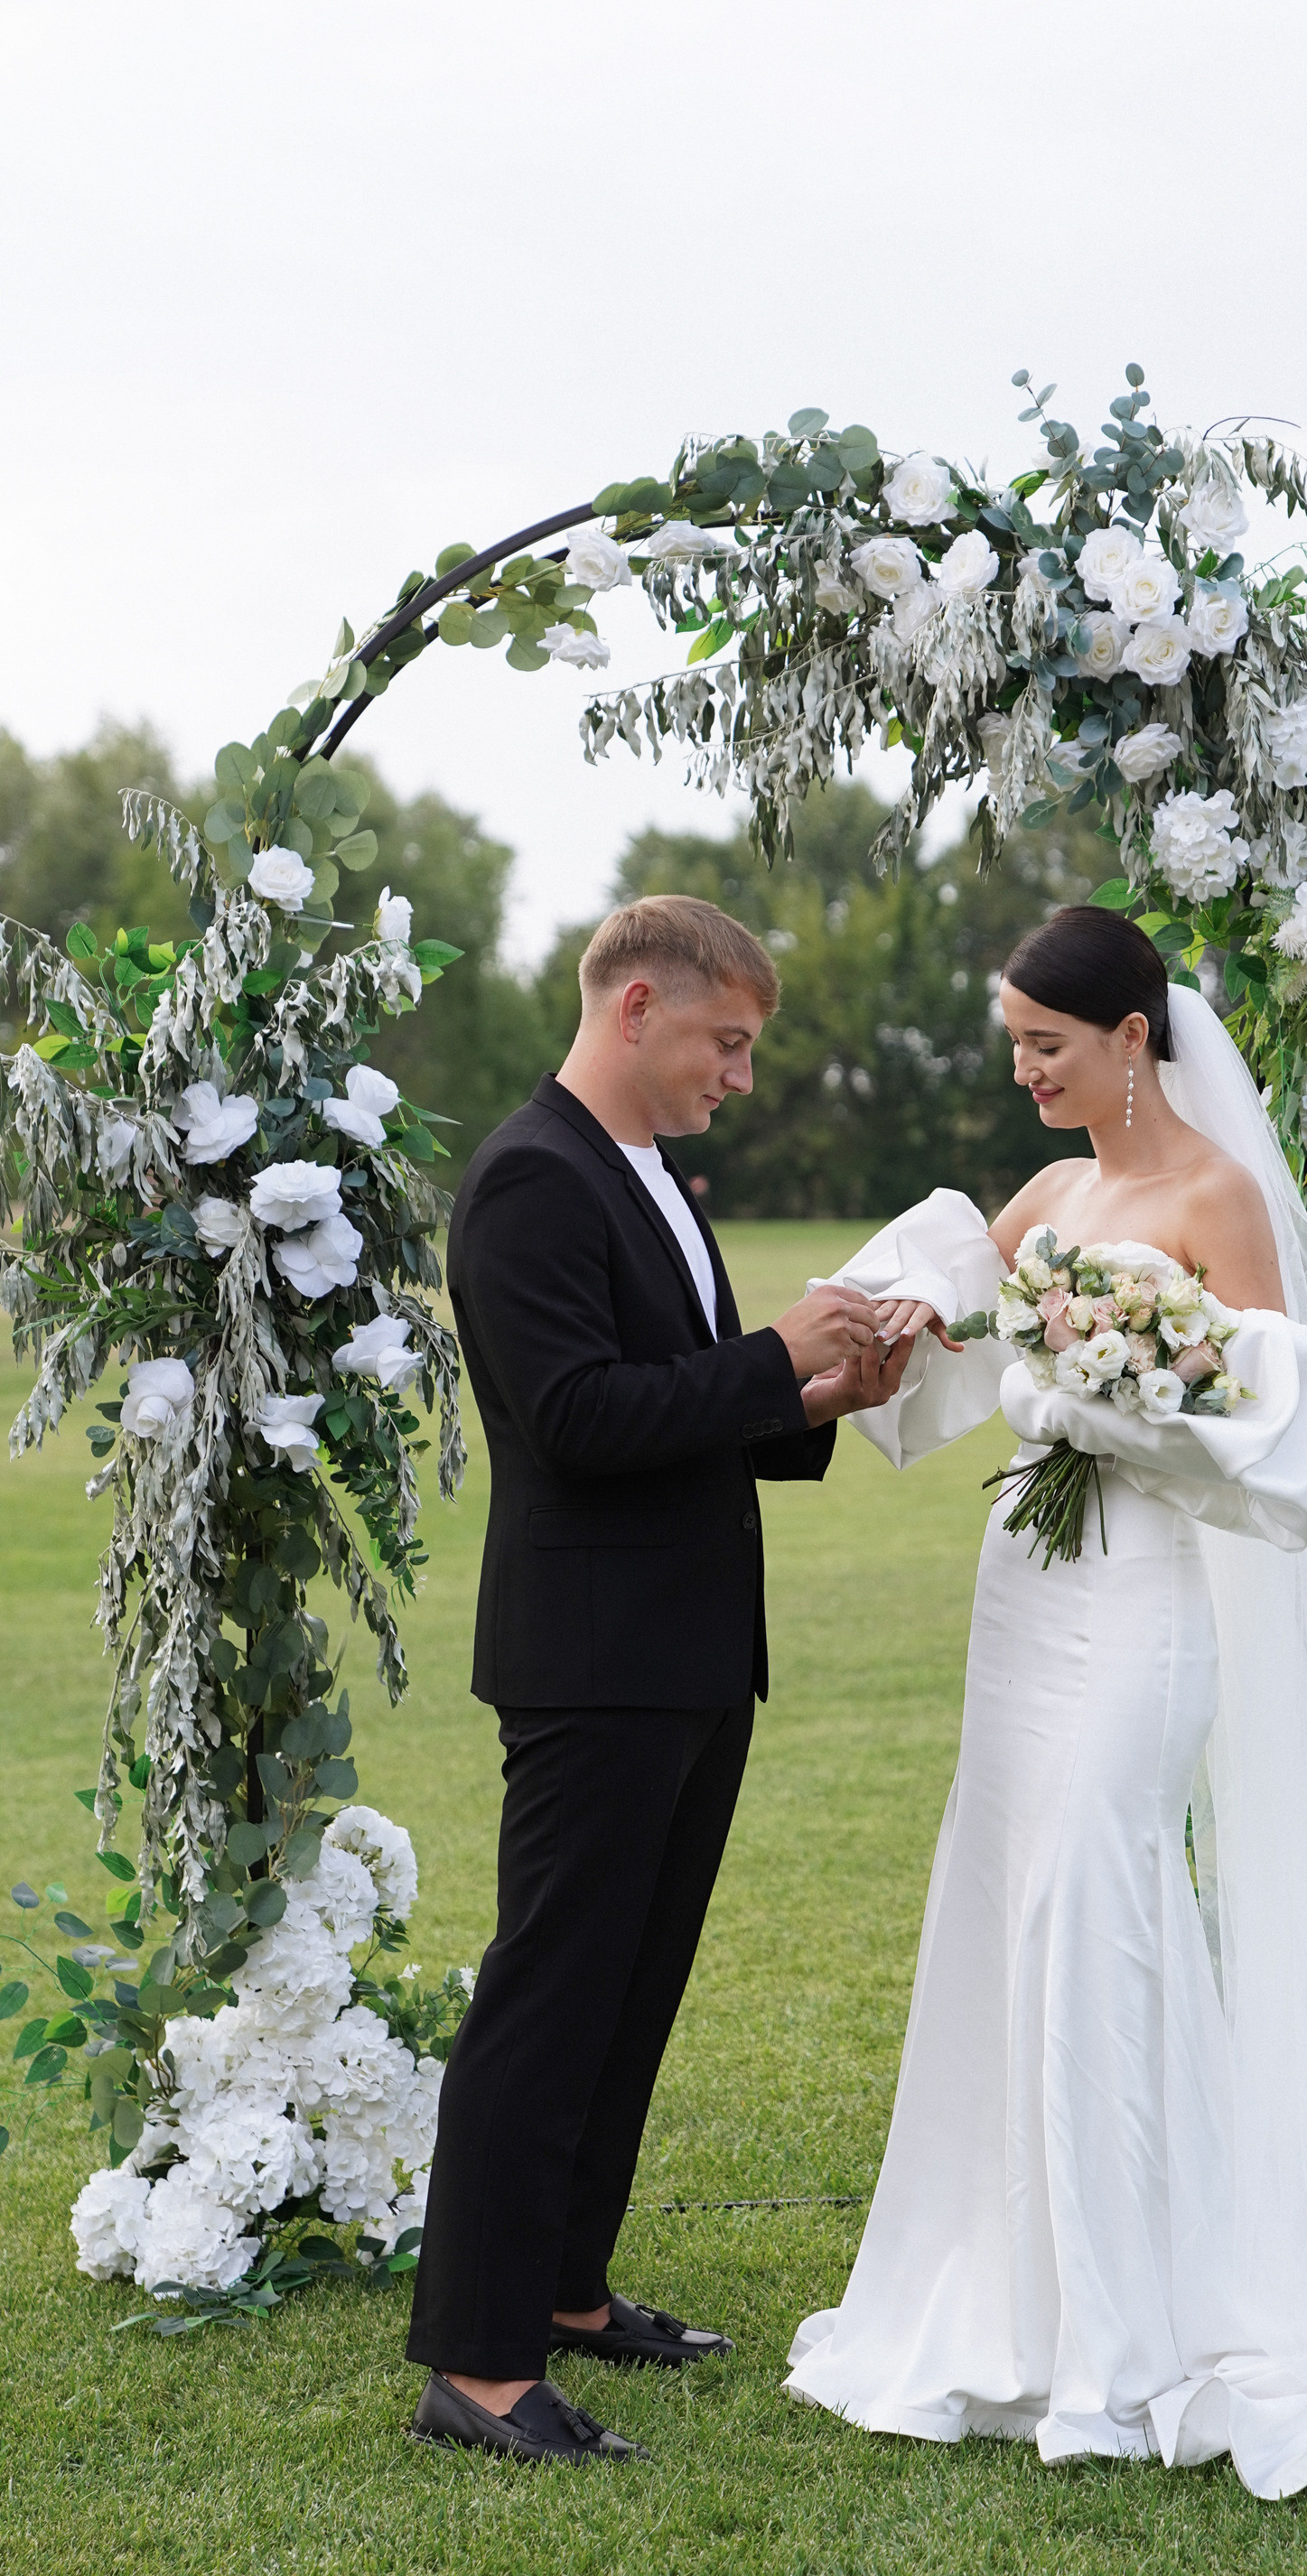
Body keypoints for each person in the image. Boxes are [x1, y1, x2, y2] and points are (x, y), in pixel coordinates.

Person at [784, 907, 1307, 2500]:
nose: (1026, 1070)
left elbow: (1272, 1432)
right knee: (1004, 1883)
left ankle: (1132, 2329)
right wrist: (910, 1328)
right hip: (1026, 1586)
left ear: (1133, 1036)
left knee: (1099, 1888)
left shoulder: (1221, 1198)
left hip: (1145, 1597)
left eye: (1047, 1042)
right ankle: (1006, 2292)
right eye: (1014, 1044)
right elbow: (962, 1340)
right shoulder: (1048, 1191)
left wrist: (1118, 1396)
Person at [408, 896, 910, 2465]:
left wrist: (819, 1391)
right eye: (727, 1042)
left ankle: (564, 2292)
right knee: (549, 2001)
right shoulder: (528, 1180)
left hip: (687, 1654)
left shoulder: (647, 1179)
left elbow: (674, 1404)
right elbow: (574, 1420)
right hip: (592, 1662)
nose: (739, 1077)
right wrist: (772, 1354)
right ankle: (478, 2369)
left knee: (631, 1997)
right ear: (636, 1008)